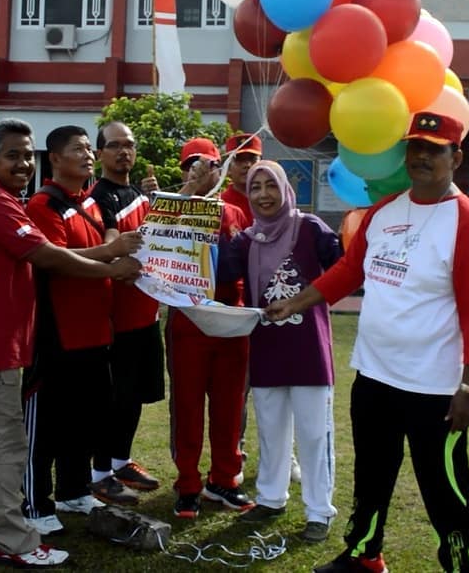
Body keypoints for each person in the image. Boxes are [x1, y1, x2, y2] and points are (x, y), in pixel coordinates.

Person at [265, 112, 469, 573]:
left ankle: (459, 566)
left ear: (457, 157)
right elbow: (349, 271)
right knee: (372, 475)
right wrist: (297, 303)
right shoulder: (385, 210)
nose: (423, 157)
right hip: (374, 375)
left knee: (444, 486)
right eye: (416, 147)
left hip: (434, 388)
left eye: (435, 149)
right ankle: (364, 555)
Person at [0, 118, 139, 569]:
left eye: (27, 154)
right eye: (13, 155)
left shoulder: (0, 199)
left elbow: (53, 253)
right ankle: (14, 540)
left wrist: (107, 255)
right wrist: (111, 268)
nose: (23, 163)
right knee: (0, 445)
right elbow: (47, 256)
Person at [21, 125, 141, 537]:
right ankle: (35, 503)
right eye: (79, 150)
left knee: (86, 421)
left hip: (97, 334)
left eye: (91, 149)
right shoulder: (44, 204)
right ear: (54, 158)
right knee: (47, 427)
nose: (88, 156)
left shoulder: (87, 203)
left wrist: (112, 250)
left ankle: (74, 490)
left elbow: (109, 233)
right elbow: (54, 259)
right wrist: (110, 258)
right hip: (59, 336)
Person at [219, 160, 342, 543]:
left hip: (308, 349)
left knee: (313, 433)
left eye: (270, 185)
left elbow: (342, 267)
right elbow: (221, 274)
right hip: (267, 345)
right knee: (271, 430)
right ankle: (271, 499)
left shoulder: (309, 228)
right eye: (255, 188)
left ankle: (319, 511)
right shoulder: (246, 240)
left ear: (285, 189)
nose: (263, 195)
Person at [168, 137, 254, 518]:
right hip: (188, 321)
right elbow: (157, 237)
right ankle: (188, 484)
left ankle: (224, 479)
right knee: (187, 405)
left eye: (210, 165)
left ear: (222, 169)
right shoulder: (173, 207)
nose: (202, 172)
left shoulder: (234, 212)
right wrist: (189, 191)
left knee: (229, 404)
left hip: (230, 320)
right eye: (192, 165)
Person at [89, 121, 165, 493]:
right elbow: (111, 242)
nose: (124, 152)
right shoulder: (98, 197)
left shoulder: (138, 193)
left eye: (129, 145)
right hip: (115, 319)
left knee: (134, 394)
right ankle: (99, 472)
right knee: (114, 397)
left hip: (146, 314)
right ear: (99, 153)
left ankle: (121, 461)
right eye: (115, 145)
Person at [220, 132, 263, 226]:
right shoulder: (220, 204)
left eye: (252, 159)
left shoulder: (269, 200)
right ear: (228, 168)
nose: (247, 165)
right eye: (239, 160)